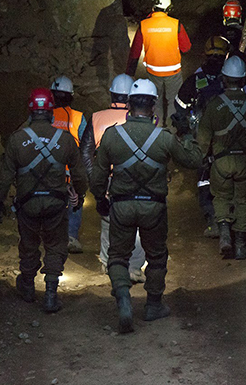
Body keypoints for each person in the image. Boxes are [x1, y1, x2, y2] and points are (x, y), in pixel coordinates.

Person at [90, 79, 202, 333]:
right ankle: (152, 305)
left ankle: (123, 299)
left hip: (121, 206)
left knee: (118, 256)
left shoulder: (112, 136)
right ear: (153, 107)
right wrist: (186, 134)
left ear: (129, 105)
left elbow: (97, 179)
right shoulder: (163, 138)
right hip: (153, 208)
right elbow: (193, 160)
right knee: (156, 256)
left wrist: (100, 200)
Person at [0, 88, 88, 313]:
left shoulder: (17, 140)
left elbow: (5, 176)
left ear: (31, 111)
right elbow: (79, 174)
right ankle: (51, 296)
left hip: (28, 204)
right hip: (56, 203)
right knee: (55, 246)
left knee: (28, 245)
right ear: (51, 111)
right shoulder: (64, 140)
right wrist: (80, 194)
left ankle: (27, 286)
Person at [172, 36, 246, 238]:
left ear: (204, 54)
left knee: (205, 178)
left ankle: (214, 220)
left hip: (208, 139)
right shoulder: (237, 80)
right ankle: (239, 227)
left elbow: (180, 105)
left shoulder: (196, 80)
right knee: (241, 183)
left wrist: (186, 126)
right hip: (237, 139)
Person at [197, 56, 246, 261]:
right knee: (244, 200)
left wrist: (202, 157)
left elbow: (203, 137)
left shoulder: (214, 105)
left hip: (220, 162)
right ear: (244, 79)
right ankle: (240, 245)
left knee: (221, 197)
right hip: (245, 162)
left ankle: (225, 235)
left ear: (224, 78)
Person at [86, 74, 146, 283]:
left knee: (107, 220)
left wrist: (95, 178)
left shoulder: (96, 118)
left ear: (111, 94)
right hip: (133, 178)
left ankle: (106, 262)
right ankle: (134, 267)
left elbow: (86, 152)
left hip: (108, 178)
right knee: (137, 222)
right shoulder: (140, 117)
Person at [126, 0, 192, 126]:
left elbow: (135, 51)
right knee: (174, 101)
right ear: (168, 9)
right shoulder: (176, 24)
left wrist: (130, 72)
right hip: (173, 72)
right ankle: (172, 131)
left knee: (155, 100)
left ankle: (157, 129)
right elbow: (186, 48)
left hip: (153, 72)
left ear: (153, 7)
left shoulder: (144, 25)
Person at [49, 75, 93, 254]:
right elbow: (85, 144)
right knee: (76, 199)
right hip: (69, 172)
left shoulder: (42, 116)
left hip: (46, 170)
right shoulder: (78, 117)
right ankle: (71, 236)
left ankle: (49, 234)